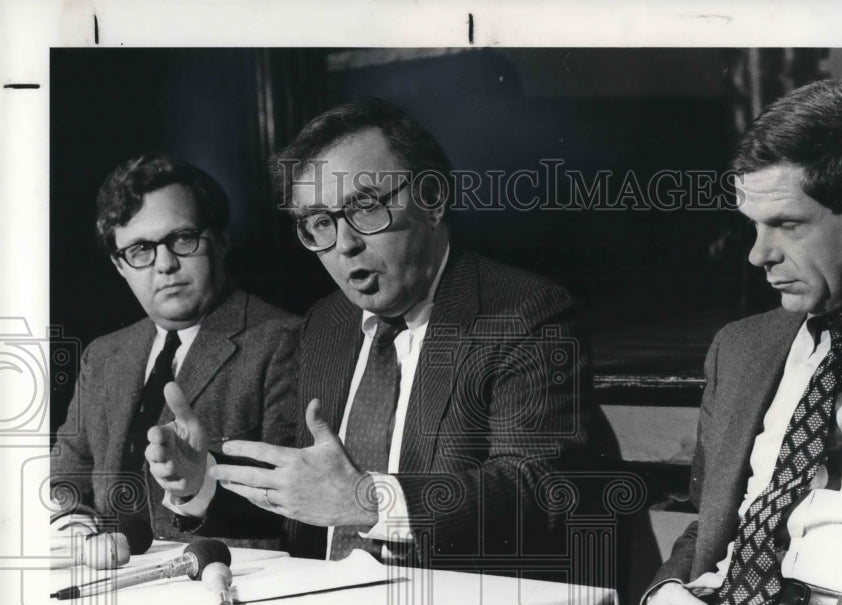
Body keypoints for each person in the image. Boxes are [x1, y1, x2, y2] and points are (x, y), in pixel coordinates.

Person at [574, 77, 842, 605]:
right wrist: (667, 586)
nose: (757, 255)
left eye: (788, 225)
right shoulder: (743, 347)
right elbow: (718, 516)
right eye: (753, 225)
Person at [151, 99, 590, 573]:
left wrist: (370, 501)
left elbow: (538, 488)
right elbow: (309, 501)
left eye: (364, 206)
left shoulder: (522, 311)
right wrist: (204, 485)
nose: (344, 244)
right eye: (319, 223)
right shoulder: (328, 324)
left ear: (433, 200)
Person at [50, 153, 299, 547]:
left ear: (219, 239)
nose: (164, 264)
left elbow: (292, 512)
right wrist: (78, 533)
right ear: (120, 266)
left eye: (182, 239)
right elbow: (66, 473)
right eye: (139, 251)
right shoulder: (104, 354)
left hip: (220, 581)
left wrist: (198, 487)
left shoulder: (282, 340)